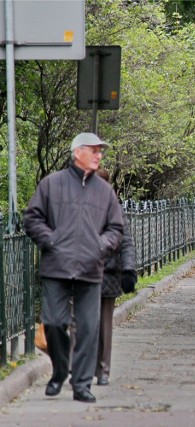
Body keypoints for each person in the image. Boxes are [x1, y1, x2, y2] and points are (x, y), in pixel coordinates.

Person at [24, 132, 124, 403]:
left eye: (100, 151)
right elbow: (32, 218)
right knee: (55, 322)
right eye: (94, 150)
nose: (99, 155)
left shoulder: (104, 191)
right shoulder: (51, 184)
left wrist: (99, 246)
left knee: (89, 328)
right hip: (56, 266)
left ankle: (81, 385)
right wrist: (51, 240)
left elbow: (116, 227)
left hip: (91, 269)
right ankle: (59, 370)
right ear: (78, 152)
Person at [93, 167, 137, 387]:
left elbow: (126, 242)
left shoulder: (115, 210)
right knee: (76, 322)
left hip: (107, 275)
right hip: (79, 273)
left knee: (103, 324)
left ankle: (102, 370)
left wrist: (129, 270)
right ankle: (77, 365)